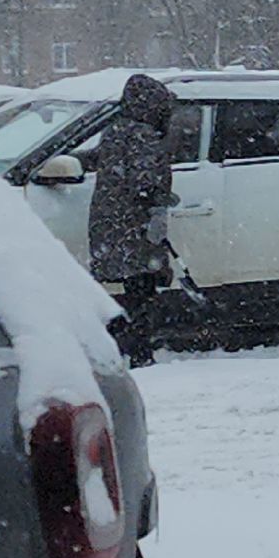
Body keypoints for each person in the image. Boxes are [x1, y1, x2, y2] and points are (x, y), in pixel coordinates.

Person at [88, 74, 178, 366]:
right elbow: (145, 183)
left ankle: (126, 345)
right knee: (142, 291)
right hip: (135, 227)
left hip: (112, 225)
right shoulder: (142, 134)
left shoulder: (114, 130)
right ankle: (140, 352)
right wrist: (159, 209)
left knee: (131, 288)